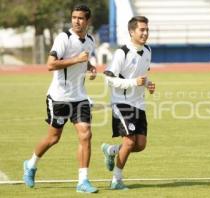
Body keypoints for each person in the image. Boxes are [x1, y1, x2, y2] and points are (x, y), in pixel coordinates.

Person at [23, 4, 98, 193]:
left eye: (80, 18)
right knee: (53, 138)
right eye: (74, 17)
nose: (76, 21)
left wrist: (89, 67)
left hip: (79, 97)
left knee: (86, 134)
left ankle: (83, 181)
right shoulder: (63, 38)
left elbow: (83, 59)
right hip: (59, 98)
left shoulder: (90, 40)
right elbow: (50, 64)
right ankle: (31, 164)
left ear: (88, 21)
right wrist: (77, 60)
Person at [101, 16, 155, 190]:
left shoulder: (147, 50)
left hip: (139, 104)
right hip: (121, 103)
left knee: (140, 145)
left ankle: (111, 150)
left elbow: (141, 75)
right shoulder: (121, 52)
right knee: (130, 142)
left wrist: (148, 84)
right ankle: (116, 179)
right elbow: (108, 79)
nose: (145, 33)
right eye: (142, 30)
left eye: (147, 29)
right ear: (132, 31)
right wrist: (134, 83)